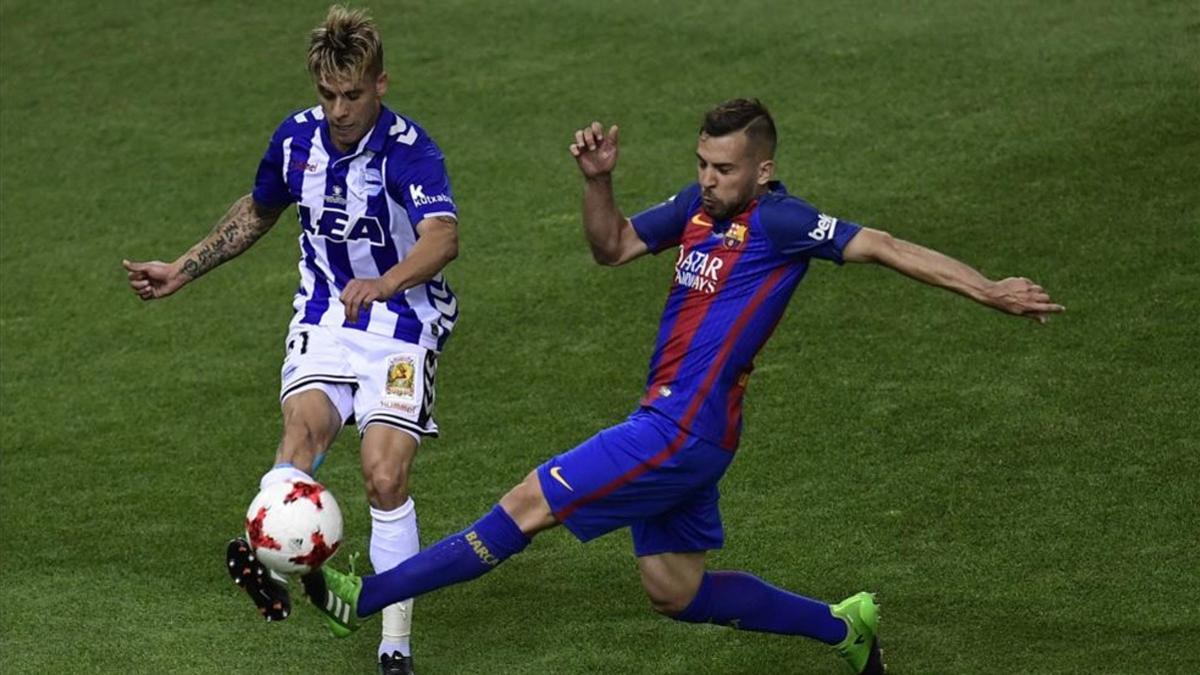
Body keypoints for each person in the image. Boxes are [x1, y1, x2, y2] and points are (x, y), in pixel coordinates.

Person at [301, 98, 1065, 674]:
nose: (708, 178)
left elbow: (889, 247)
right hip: (692, 432)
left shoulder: (783, 222)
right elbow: (613, 246)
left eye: (725, 168)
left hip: (676, 431)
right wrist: (599, 182)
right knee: (674, 590)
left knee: (527, 503)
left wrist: (989, 288)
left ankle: (362, 598)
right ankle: (845, 627)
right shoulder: (694, 210)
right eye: (703, 162)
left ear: (762, 170)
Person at [122, 6, 460, 674]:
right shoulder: (296, 141)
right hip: (326, 316)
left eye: (353, 94)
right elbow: (257, 211)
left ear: (381, 84)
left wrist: (386, 283)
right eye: (328, 94)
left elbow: (443, 237)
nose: (339, 109)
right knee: (298, 442)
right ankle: (284, 560)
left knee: (384, 474)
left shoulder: (410, 149)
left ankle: (394, 644)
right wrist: (183, 269)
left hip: (402, 325)